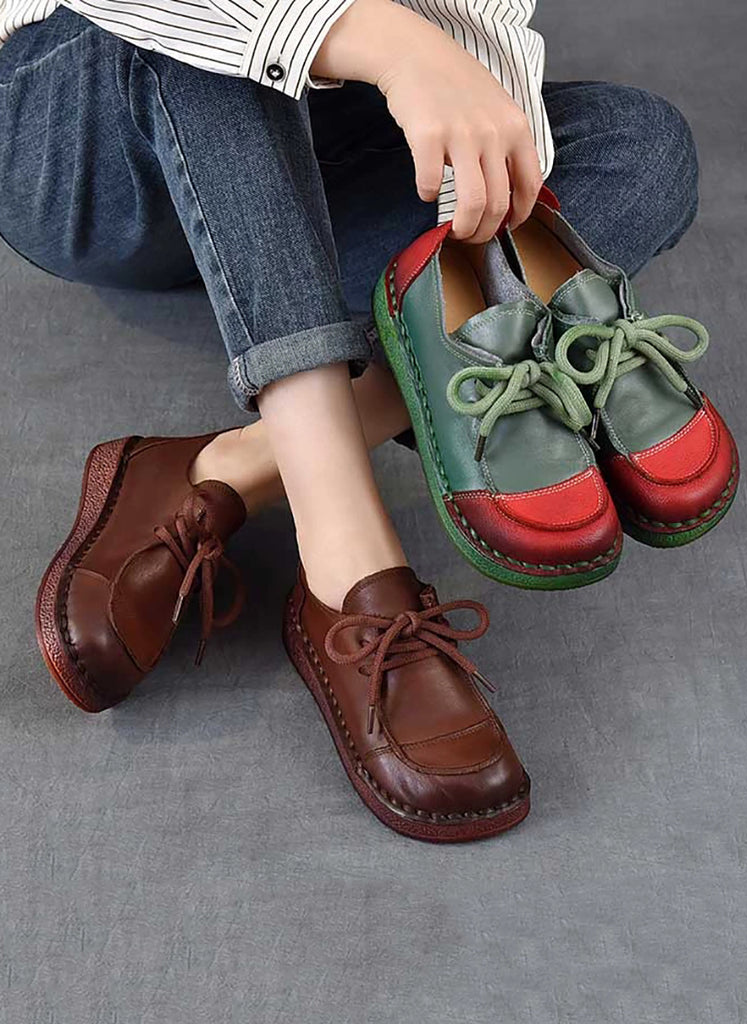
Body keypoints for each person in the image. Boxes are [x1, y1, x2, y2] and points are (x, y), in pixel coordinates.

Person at [1, 0, 710, 841]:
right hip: (86, 124)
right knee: (221, 34)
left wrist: (478, 218)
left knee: (641, 148)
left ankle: (233, 468)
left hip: (324, 134)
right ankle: (346, 564)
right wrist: (387, 41)